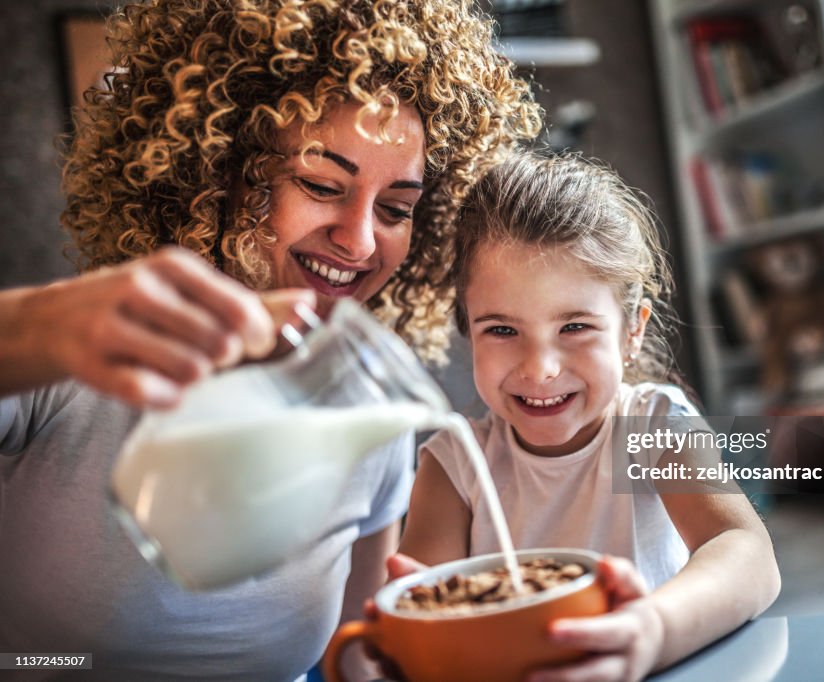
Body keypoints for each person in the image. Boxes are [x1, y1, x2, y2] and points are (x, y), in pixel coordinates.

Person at [0, 1, 540, 679]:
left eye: (397, 209)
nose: (361, 240)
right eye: (321, 185)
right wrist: (35, 327)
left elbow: (355, 650)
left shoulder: (369, 404)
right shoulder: (74, 355)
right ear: (219, 169)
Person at [395, 150, 781, 682]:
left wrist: (654, 630)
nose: (541, 369)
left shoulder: (655, 427)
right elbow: (430, 619)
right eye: (502, 330)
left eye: (574, 327)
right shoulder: (453, 465)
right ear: (467, 331)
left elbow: (747, 552)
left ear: (632, 330)